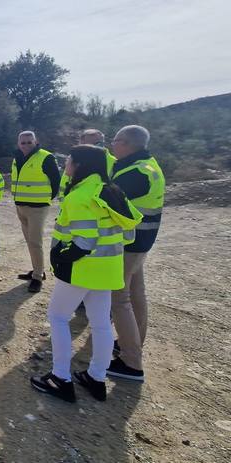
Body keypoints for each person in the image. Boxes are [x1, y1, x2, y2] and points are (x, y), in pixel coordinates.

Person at [31, 145, 142, 402]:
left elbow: (84, 243)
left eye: (69, 160)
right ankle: (96, 377)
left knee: (58, 317)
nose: (65, 165)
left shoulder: (79, 196)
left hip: (81, 269)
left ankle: (60, 378)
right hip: (107, 269)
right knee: (101, 322)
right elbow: (129, 234)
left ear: (79, 164)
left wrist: (59, 257)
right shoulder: (112, 190)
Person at [106, 125, 165, 382]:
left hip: (129, 243)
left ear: (127, 144)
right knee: (136, 294)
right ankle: (133, 342)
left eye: (115, 140)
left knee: (119, 299)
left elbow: (107, 202)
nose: (112, 145)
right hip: (140, 242)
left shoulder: (135, 173)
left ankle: (131, 362)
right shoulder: (147, 165)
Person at [11, 131, 61, 292]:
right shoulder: (17, 157)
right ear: (18, 143)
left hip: (38, 208)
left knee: (35, 242)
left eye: (29, 142)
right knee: (30, 241)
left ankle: (38, 277)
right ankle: (37, 270)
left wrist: (45, 199)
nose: (26, 145)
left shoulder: (46, 157)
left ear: (35, 141)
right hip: (21, 206)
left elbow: (56, 181)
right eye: (23, 142)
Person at [59, 129, 116, 196]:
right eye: (83, 145)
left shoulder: (114, 162)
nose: (85, 149)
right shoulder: (75, 158)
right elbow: (65, 181)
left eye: (91, 145)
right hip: (71, 199)